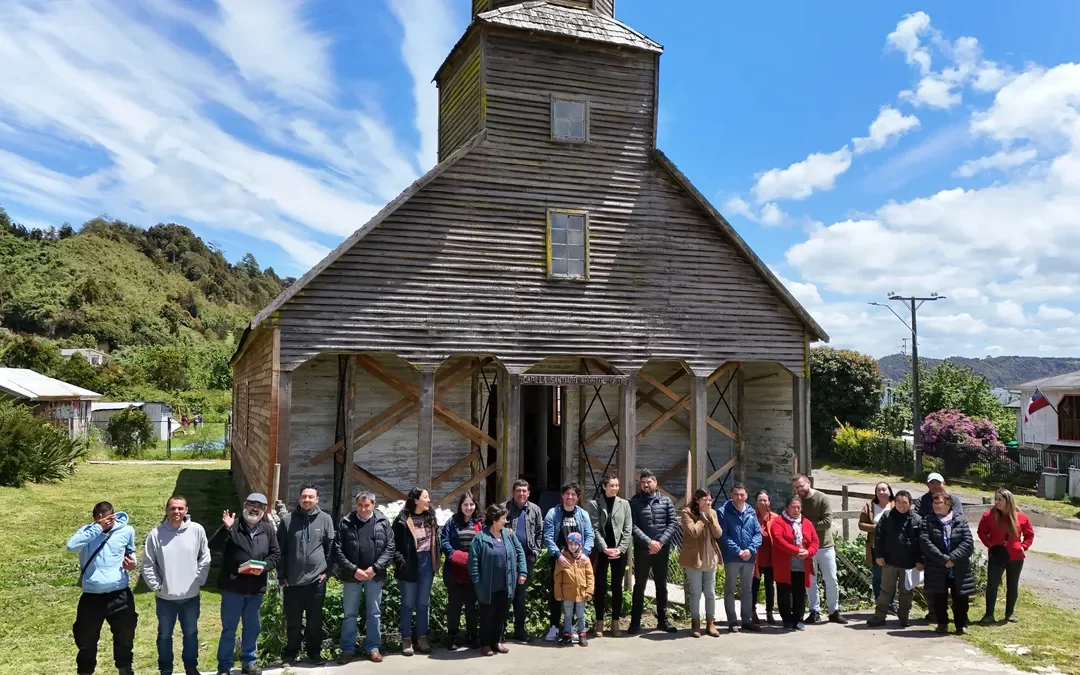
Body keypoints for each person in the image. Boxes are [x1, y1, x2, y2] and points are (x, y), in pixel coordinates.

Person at [211, 492, 280, 675]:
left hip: (255, 588)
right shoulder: (233, 527)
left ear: (264, 510)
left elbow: (275, 554)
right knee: (229, 629)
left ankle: (249, 662)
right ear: (244, 506)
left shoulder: (268, 530)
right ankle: (224, 667)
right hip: (233, 587)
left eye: (259, 506)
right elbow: (214, 547)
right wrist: (225, 529)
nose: (254, 509)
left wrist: (264, 567)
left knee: (252, 627)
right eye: (251, 504)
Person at [67, 501, 139, 675]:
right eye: (101, 519)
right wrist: (97, 529)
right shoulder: (87, 531)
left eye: (109, 518)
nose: (106, 522)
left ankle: (125, 669)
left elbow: (130, 552)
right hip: (92, 596)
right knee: (86, 639)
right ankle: (85, 671)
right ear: (95, 518)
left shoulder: (127, 531)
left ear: (114, 515)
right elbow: (71, 546)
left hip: (119, 594)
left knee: (124, 637)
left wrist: (133, 564)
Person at [142, 495, 211, 675]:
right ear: (166, 510)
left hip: (190, 597)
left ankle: (191, 667)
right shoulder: (156, 534)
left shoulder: (197, 530)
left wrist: (198, 581)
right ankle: (166, 669)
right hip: (165, 599)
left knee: (190, 634)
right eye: (173, 508)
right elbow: (148, 564)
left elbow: (205, 558)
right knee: (164, 636)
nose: (176, 512)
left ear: (186, 510)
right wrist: (157, 586)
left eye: (180, 508)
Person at [333, 491, 396, 665]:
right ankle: (347, 649)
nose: (363, 509)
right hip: (352, 576)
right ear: (356, 504)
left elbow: (390, 547)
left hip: (374, 576)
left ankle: (373, 648)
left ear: (373, 505)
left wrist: (375, 568)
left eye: (366, 505)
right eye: (360, 505)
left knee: (374, 613)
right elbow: (337, 549)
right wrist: (354, 570)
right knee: (350, 614)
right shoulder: (346, 522)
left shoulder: (382, 522)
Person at [277, 485, 334, 666]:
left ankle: (314, 653)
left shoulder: (325, 519)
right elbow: (280, 550)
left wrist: (326, 572)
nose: (307, 500)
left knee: (314, 622)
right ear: (299, 499)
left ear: (317, 499)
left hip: (316, 581)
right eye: (304, 497)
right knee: (293, 621)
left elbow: (331, 549)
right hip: (292, 582)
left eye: (311, 497)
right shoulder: (288, 520)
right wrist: (281, 576)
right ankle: (290, 654)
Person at [469, 503, 528, 657]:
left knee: (501, 614)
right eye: (503, 518)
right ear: (494, 519)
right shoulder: (480, 538)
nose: (506, 521)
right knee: (487, 616)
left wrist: (522, 572)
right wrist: (477, 582)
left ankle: (497, 641)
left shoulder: (508, 534)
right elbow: (473, 562)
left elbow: (520, 552)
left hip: (506, 584)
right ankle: (486, 644)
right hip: (487, 586)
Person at [542, 482, 595, 641]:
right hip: (559, 558)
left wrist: (585, 553)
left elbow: (590, 535)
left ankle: (570, 627)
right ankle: (554, 626)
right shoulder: (553, 513)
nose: (570, 497)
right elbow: (548, 537)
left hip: (578, 559)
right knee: (557, 592)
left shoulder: (583, 515)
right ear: (562, 495)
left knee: (575, 593)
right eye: (567, 494)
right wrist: (558, 555)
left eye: (573, 494)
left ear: (578, 497)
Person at [792, 474, 847, 624]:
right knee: (810, 581)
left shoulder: (822, 498)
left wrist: (806, 525)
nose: (798, 490)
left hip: (825, 546)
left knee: (831, 579)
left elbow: (827, 523)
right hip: (806, 548)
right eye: (796, 487)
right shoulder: (796, 501)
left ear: (808, 483)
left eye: (801, 486)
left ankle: (833, 611)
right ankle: (814, 611)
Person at [629, 469, 679, 634]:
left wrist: (660, 542)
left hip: (661, 551)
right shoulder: (635, 502)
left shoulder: (665, 501)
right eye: (643, 482)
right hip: (643, 551)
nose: (645, 485)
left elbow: (672, 523)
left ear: (655, 483)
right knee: (639, 586)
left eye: (648, 482)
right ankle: (635, 622)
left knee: (661, 586)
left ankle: (663, 620)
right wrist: (649, 542)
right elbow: (632, 526)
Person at [920, 491, 975, 635]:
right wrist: (944, 559)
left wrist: (952, 558)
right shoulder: (928, 520)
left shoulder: (960, 520)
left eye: (939, 503)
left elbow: (968, 542)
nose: (936, 506)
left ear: (948, 504)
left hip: (958, 567)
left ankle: (960, 625)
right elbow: (925, 543)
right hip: (937, 567)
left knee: (961, 598)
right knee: (939, 597)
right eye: (934, 503)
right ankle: (942, 624)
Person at [392, 487, 440, 656]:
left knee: (423, 603)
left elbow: (436, 540)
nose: (429, 500)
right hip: (409, 563)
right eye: (426, 497)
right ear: (416, 500)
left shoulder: (430, 516)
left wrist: (436, 560)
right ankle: (405, 638)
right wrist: (401, 562)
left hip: (427, 562)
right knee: (407, 603)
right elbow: (394, 544)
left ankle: (422, 637)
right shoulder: (403, 519)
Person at [978, 489, 1034, 625]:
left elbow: (1029, 534)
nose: (996, 502)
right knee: (992, 584)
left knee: (1012, 585)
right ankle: (989, 614)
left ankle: (1010, 613)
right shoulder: (989, 515)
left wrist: (1023, 546)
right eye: (995, 499)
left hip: (1015, 557)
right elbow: (981, 532)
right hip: (997, 556)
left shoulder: (1021, 517)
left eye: (1000, 499)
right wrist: (990, 545)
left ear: (1008, 501)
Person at [913, 472, 964, 623]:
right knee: (933, 586)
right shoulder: (922, 501)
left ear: (944, 483)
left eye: (938, 482)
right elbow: (917, 520)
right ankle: (934, 614)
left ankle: (959, 620)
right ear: (927, 485)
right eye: (932, 483)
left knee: (957, 587)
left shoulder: (954, 499)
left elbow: (959, 519)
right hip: (932, 551)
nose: (935, 485)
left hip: (952, 550)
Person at [586, 473, 632, 637]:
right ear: (604, 487)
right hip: (602, 551)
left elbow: (628, 528)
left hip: (619, 551)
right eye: (612, 485)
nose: (615, 488)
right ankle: (599, 621)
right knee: (600, 585)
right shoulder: (595, 504)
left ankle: (615, 622)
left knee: (617, 586)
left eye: (617, 485)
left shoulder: (625, 504)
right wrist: (604, 548)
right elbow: (595, 528)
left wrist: (620, 548)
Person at [866, 490, 921, 628]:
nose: (901, 505)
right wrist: (878, 555)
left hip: (909, 564)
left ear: (911, 503)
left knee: (906, 592)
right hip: (889, 562)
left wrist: (921, 560)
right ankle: (879, 617)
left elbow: (922, 542)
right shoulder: (886, 516)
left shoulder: (917, 519)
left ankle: (903, 618)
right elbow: (878, 537)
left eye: (904, 502)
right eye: (898, 502)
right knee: (885, 591)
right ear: (894, 502)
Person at [769, 495, 819, 631]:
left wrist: (808, 552)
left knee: (799, 593)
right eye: (794, 507)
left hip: (802, 565)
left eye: (799, 507)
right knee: (784, 592)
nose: (797, 510)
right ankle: (787, 619)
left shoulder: (806, 523)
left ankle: (798, 619)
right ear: (787, 508)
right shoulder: (778, 522)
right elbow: (778, 540)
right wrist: (796, 551)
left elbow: (815, 541)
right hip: (784, 564)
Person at [718, 483, 762, 632]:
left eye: (742, 494)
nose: (739, 497)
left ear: (746, 495)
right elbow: (723, 535)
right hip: (732, 557)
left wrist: (750, 549)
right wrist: (738, 551)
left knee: (747, 590)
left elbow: (757, 533)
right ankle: (732, 621)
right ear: (731, 495)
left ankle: (747, 620)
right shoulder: (723, 511)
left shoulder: (751, 511)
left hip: (749, 558)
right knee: (730, 589)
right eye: (736, 494)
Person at [441, 492, 483, 650]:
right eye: (465, 504)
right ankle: (452, 636)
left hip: (474, 572)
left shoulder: (480, 523)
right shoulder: (452, 522)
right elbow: (444, 541)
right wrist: (455, 556)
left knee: (472, 606)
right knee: (454, 606)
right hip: (455, 571)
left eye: (471, 504)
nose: (469, 507)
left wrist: (474, 560)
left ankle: (472, 635)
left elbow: (484, 543)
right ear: (460, 506)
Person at [679, 488, 723, 638]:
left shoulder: (713, 513)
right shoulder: (686, 513)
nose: (708, 503)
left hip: (710, 557)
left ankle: (711, 623)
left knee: (710, 593)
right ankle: (695, 623)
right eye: (705, 500)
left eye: (710, 500)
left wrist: (711, 518)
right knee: (696, 592)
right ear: (697, 501)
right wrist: (703, 518)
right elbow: (694, 532)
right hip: (694, 558)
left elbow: (718, 534)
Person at [505, 479, 543, 642]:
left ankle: (519, 630)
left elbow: (540, 532)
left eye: (524, 491)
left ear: (528, 493)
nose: (521, 493)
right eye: (518, 490)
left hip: (526, 560)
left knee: (520, 597)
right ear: (513, 492)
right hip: (506, 559)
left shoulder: (535, 509)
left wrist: (535, 553)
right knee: (505, 595)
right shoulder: (503, 508)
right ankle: (501, 630)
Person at [555, 532, 595, 646]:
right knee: (567, 614)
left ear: (580, 545)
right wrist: (558, 593)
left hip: (581, 593)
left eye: (575, 544)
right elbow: (557, 577)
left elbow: (590, 576)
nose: (573, 546)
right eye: (570, 544)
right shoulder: (562, 558)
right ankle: (567, 634)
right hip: (567, 593)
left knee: (581, 614)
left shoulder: (584, 559)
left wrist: (589, 591)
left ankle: (582, 634)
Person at [859, 482, 894, 608]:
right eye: (878, 490)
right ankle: (880, 604)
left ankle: (891, 604)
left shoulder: (895, 505)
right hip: (876, 548)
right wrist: (877, 528)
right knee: (878, 577)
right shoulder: (869, 506)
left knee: (892, 578)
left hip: (894, 548)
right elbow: (861, 524)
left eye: (884, 489)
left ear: (889, 491)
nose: (881, 492)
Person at [751, 490, 778, 626]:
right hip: (756, 559)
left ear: (769, 502)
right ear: (756, 502)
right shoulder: (751, 517)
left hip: (770, 559)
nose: (763, 502)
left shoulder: (775, 518)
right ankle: (752, 611)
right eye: (760, 500)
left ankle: (769, 612)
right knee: (754, 587)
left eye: (765, 500)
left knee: (769, 587)